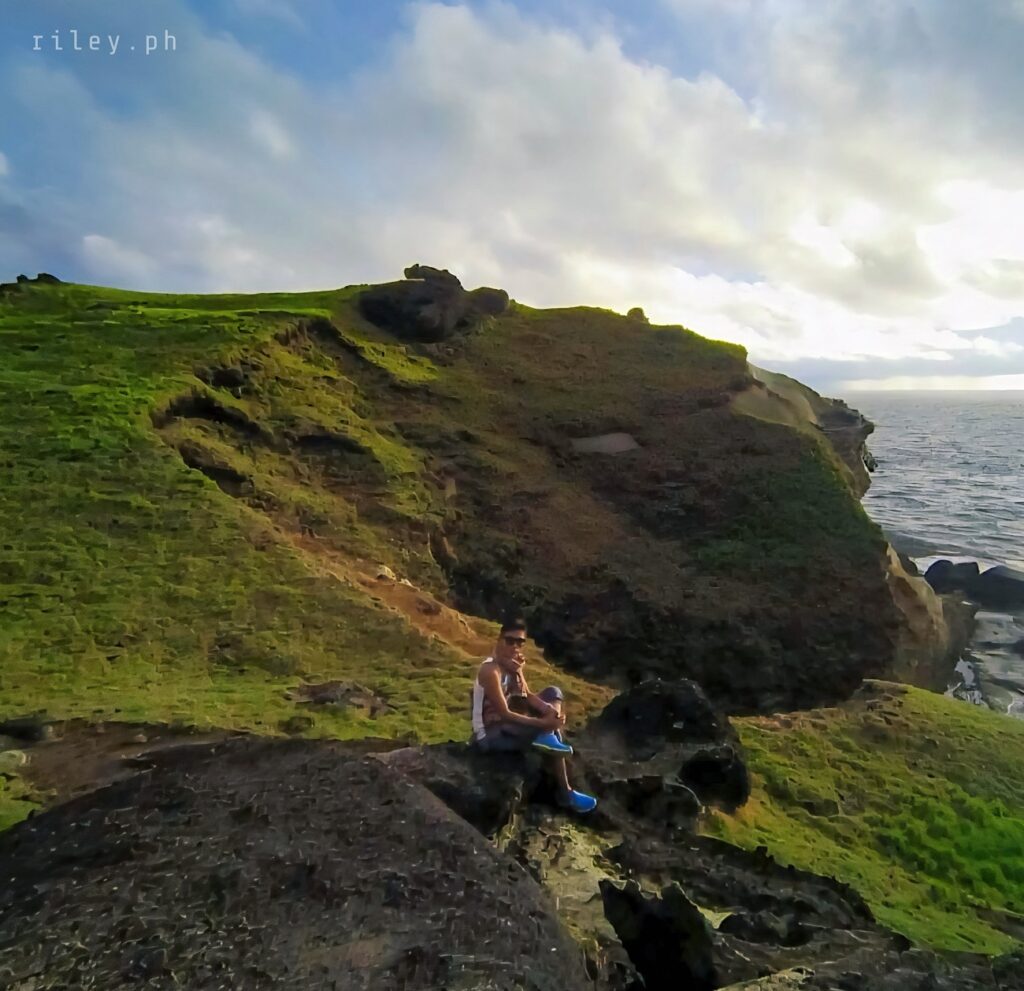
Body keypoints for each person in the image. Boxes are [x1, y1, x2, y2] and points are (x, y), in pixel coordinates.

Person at [470, 618, 597, 814]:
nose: (514, 646)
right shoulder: (490, 670)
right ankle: (566, 791)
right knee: (550, 732)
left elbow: (527, 696)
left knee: (553, 692)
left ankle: (548, 735)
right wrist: (541, 723)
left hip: (509, 725)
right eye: (509, 641)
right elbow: (504, 713)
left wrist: (549, 711)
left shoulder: (510, 667)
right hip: (491, 734)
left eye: (519, 642)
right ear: (498, 640)